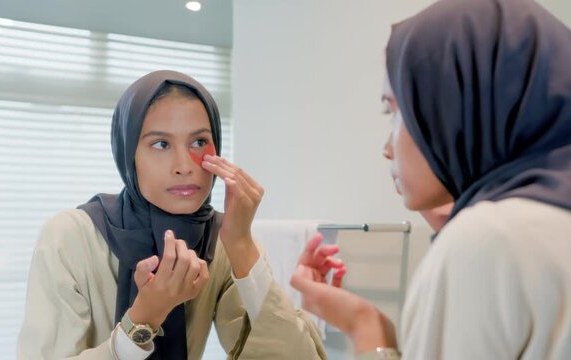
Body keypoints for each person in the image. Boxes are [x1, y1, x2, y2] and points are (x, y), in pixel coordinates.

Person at [291, 0, 571, 358]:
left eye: (395, 111)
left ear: (456, 105)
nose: (387, 147)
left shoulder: (488, 240)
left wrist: (365, 330)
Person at [17, 70, 337, 359]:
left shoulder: (221, 240)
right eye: (160, 144)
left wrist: (242, 244)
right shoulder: (70, 237)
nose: (184, 165)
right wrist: (142, 320)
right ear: (129, 155)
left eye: (199, 142)